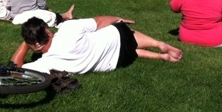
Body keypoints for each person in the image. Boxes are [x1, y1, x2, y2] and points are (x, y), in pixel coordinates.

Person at [12, 16, 183, 74]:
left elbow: (14, 70)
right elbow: (100, 21)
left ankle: (160, 56)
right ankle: (158, 44)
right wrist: (118, 18)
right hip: (119, 36)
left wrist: (26, 44)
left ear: (33, 44)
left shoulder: (47, 63)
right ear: (48, 32)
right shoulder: (67, 28)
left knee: (129, 51)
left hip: (118, 62)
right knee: (124, 34)